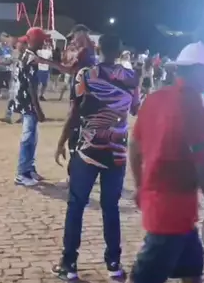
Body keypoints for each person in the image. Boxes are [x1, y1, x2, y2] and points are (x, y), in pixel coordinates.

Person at [52, 34, 140, 280]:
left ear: (99, 48)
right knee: (111, 207)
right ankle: (113, 264)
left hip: (88, 150)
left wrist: (61, 142)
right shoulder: (131, 77)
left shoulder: (86, 75)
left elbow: (74, 113)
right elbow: (135, 108)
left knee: (76, 205)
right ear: (119, 50)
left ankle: (69, 265)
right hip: (117, 151)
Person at [129, 41, 204, 283]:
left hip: (166, 207)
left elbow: (134, 147)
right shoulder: (194, 106)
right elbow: (203, 163)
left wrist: (139, 185)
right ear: (197, 71)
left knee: (192, 268)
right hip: (173, 211)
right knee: (144, 277)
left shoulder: (154, 99)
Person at [12, 28, 49, 186]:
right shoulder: (31, 58)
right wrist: (38, 109)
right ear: (35, 40)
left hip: (24, 101)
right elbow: (31, 87)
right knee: (28, 138)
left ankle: (29, 168)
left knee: (32, 137)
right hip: (28, 103)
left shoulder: (27, 55)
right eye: (42, 39)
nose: (43, 42)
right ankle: (22, 173)